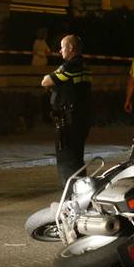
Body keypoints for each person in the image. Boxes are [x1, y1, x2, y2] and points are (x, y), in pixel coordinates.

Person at [41, 34, 92, 185]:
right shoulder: (85, 65)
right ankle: (81, 189)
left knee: (67, 159)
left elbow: (46, 81)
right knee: (77, 156)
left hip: (68, 119)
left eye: (62, 47)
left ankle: (71, 193)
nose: (60, 50)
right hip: (82, 117)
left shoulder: (69, 66)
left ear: (71, 48)